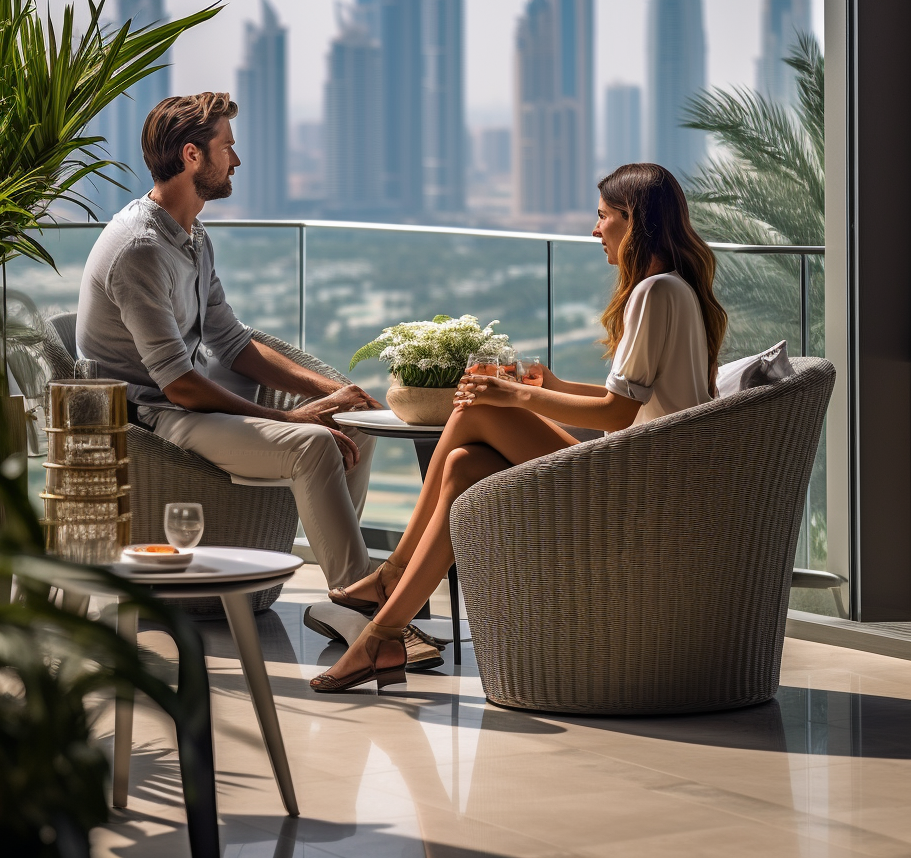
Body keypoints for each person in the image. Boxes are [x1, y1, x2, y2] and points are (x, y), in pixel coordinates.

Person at [310, 162, 728, 693]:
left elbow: (619, 416)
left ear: (632, 218)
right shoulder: (677, 289)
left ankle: (392, 573)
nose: (594, 230)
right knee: (463, 465)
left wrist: (518, 393)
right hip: (642, 472)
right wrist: (555, 384)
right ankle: (385, 632)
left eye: (602, 217)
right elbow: (629, 400)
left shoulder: (655, 292)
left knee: (479, 407)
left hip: (634, 487)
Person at [77, 91, 381, 588]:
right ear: (191, 155)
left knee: (355, 424)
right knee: (313, 445)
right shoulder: (140, 251)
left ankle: (348, 579)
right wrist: (290, 418)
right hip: (151, 420)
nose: (236, 160)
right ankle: (358, 595)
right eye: (227, 147)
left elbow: (233, 342)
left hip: (186, 406)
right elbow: (178, 386)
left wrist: (330, 392)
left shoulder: (191, 236)